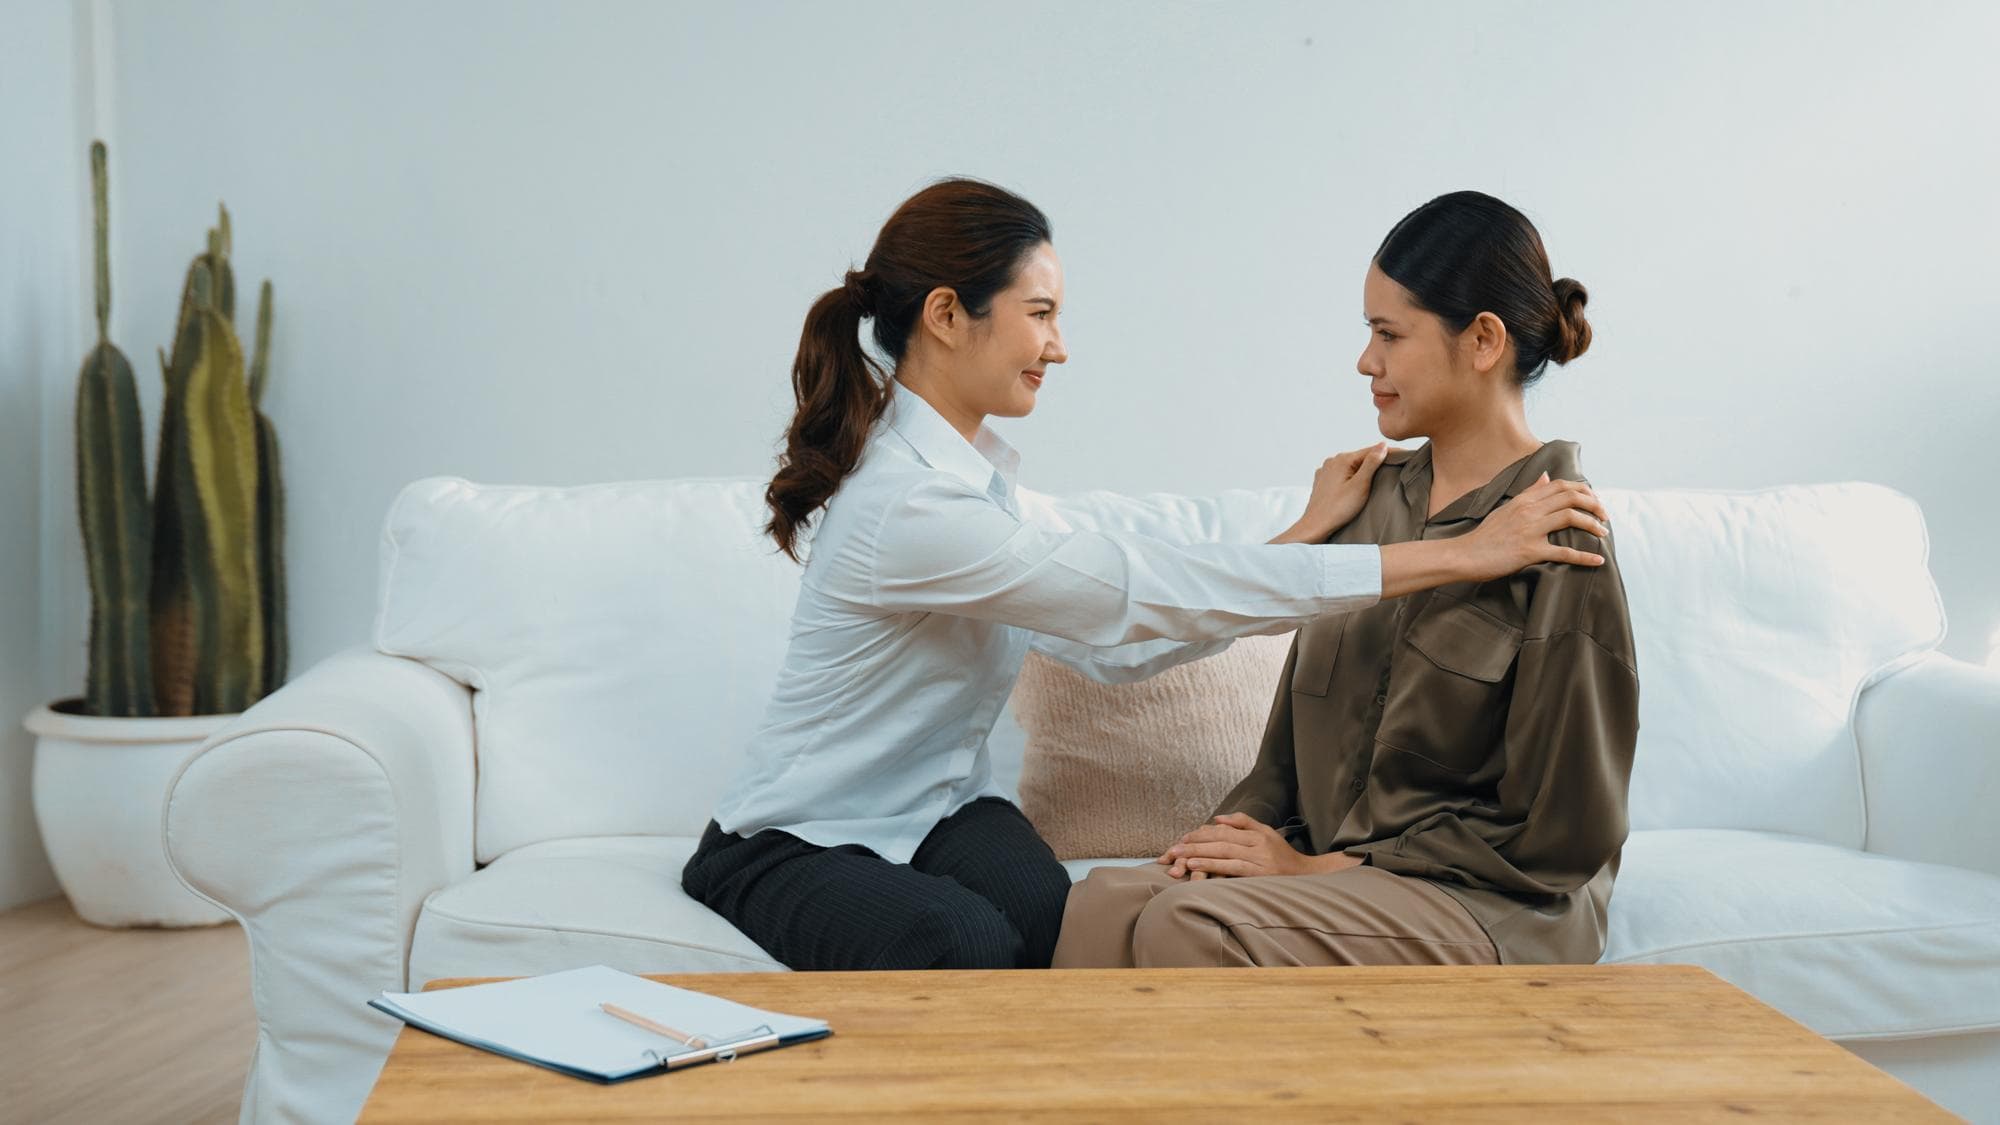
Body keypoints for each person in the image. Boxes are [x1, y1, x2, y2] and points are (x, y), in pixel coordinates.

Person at [681, 179, 1613, 972]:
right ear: (945, 316)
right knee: (962, 941)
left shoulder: (984, 485)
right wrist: (1459, 552)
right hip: (794, 837)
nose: (1060, 345)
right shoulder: (909, 509)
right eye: (1040, 314)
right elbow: (1131, 594)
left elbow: (1122, 646)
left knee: (1058, 920)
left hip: (933, 814)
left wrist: (1301, 535)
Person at [1053, 190, 1640, 969]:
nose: (1368, 362)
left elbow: (1562, 828)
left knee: (1191, 924)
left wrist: (1320, 870)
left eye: (1389, 334)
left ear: (1484, 340)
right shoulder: (1366, 503)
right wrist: (1232, 840)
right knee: (1102, 901)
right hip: (1334, 873)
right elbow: (1283, 762)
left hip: (1494, 900)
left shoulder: (1560, 536)